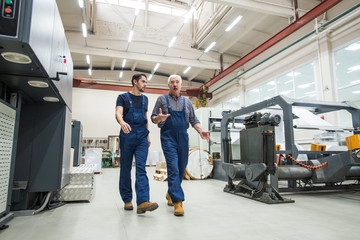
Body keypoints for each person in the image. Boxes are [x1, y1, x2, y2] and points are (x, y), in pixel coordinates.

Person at [151, 74, 211, 216]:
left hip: (183, 136)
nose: (175, 84)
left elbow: (193, 119)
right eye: (172, 82)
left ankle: (171, 192)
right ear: (169, 85)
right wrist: (158, 118)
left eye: (177, 82)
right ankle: (178, 202)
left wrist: (201, 130)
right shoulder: (162, 100)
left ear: (181, 85)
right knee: (172, 167)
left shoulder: (187, 102)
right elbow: (153, 118)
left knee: (181, 166)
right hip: (168, 136)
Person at [115, 73, 158, 214]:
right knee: (126, 168)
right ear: (135, 82)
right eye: (143, 82)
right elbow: (118, 113)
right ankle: (127, 200)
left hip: (142, 138)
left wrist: (148, 135)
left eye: (146, 82)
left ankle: (143, 202)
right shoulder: (122, 97)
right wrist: (122, 122)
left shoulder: (145, 99)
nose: (145, 84)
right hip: (127, 136)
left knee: (141, 168)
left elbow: (145, 118)